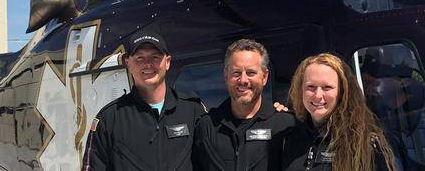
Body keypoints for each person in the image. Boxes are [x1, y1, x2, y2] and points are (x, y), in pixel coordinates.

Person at [81, 31, 206, 171]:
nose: (148, 64)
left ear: (167, 62)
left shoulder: (193, 110)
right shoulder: (109, 119)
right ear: (128, 63)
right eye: (140, 58)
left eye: (155, 57)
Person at [282, 53, 397, 171]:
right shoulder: (289, 138)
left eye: (327, 87)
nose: (317, 95)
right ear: (300, 89)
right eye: (311, 86)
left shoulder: (363, 142)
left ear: (342, 92)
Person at [194, 39, 295, 171]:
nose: (243, 80)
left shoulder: (285, 125)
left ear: (264, 77)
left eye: (251, 73)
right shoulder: (207, 127)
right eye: (236, 73)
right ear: (226, 76)